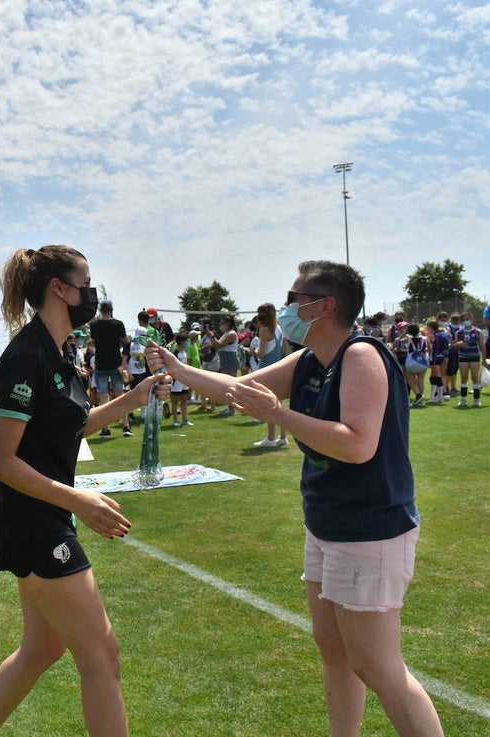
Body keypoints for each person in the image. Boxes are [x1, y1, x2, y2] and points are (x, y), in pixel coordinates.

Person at [146, 260, 444, 737]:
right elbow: (239, 390)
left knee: (377, 666)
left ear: (325, 306)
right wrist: (180, 369)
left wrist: (279, 416)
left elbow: (357, 444)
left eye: (294, 298)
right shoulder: (310, 360)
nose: (286, 308)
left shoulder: (360, 355)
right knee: (335, 652)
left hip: (369, 528)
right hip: (327, 522)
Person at [0, 245, 169, 737]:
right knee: (102, 656)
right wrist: (78, 500)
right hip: (35, 522)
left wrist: (134, 397)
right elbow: (1, 461)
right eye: (85, 285)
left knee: (41, 649)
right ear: (59, 289)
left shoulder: (59, 353)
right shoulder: (25, 357)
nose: (91, 295)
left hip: (45, 515)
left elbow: (69, 429)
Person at [89, 300, 131, 438]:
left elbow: (94, 341)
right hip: (116, 363)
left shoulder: (94, 325)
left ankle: (105, 429)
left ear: (100, 310)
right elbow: (126, 341)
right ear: (111, 310)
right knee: (120, 396)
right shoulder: (118, 324)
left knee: (103, 398)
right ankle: (126, 426)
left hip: (101, 364)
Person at [252, 303, 287, 447]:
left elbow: (261, 353)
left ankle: (271, 437)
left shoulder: (265, 330)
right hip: (277, 367)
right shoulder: (278, 328)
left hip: (266, 367)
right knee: (279, 403)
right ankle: (283, 437)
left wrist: (253, 351)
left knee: (268, 403)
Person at [453, 313, 488, 408]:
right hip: (463, 357)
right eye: (463, 320)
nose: (466, 321)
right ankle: (463, 399)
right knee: (464, 378)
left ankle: (477, 400)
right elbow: (455, 344)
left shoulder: (478, 331)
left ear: (472, 319)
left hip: (474, 357)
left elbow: (482, 346)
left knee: (475, 378)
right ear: (461, 322)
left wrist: (484, 359)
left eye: (467, 319)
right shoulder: (459, 332)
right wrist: (459, 344)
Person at [209, 315, 240, 415]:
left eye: (223, 323)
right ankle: (229, 406)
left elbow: (219, 345)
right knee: (226, 385)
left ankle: (232, 408)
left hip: (230, 361)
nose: (221, 325)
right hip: (225, 360)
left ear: (229, 323)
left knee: (230, 385)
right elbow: (216, 344)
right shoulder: (226, 334)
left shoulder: (231, 334)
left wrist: (211, 335)